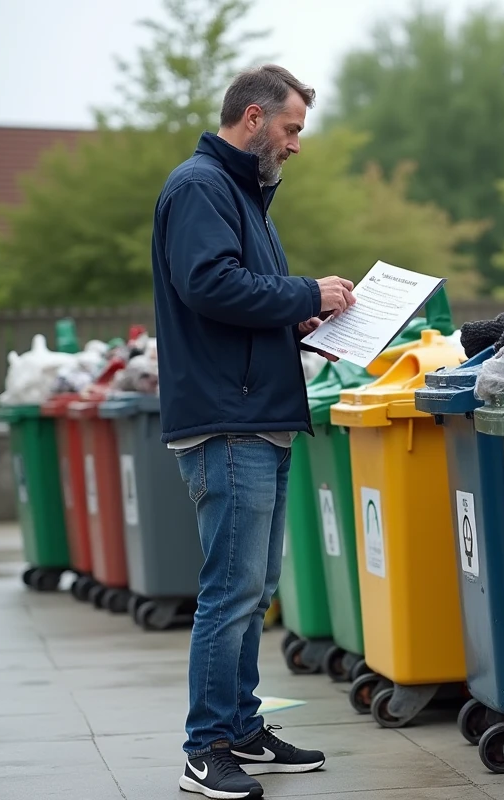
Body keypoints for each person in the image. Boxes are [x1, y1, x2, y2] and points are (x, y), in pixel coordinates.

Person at [150, 64, 356, 800]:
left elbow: (239, 298)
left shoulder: (240, 193)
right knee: (231, 591)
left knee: (254, 587)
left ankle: (239, 728)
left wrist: (300, 320)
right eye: (292, 128)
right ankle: (205, 749)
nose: (296, 144)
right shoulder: (201, 187)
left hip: (256, 417)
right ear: (254, 118)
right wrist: (304, 292)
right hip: (229, 422)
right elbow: (207, 284)